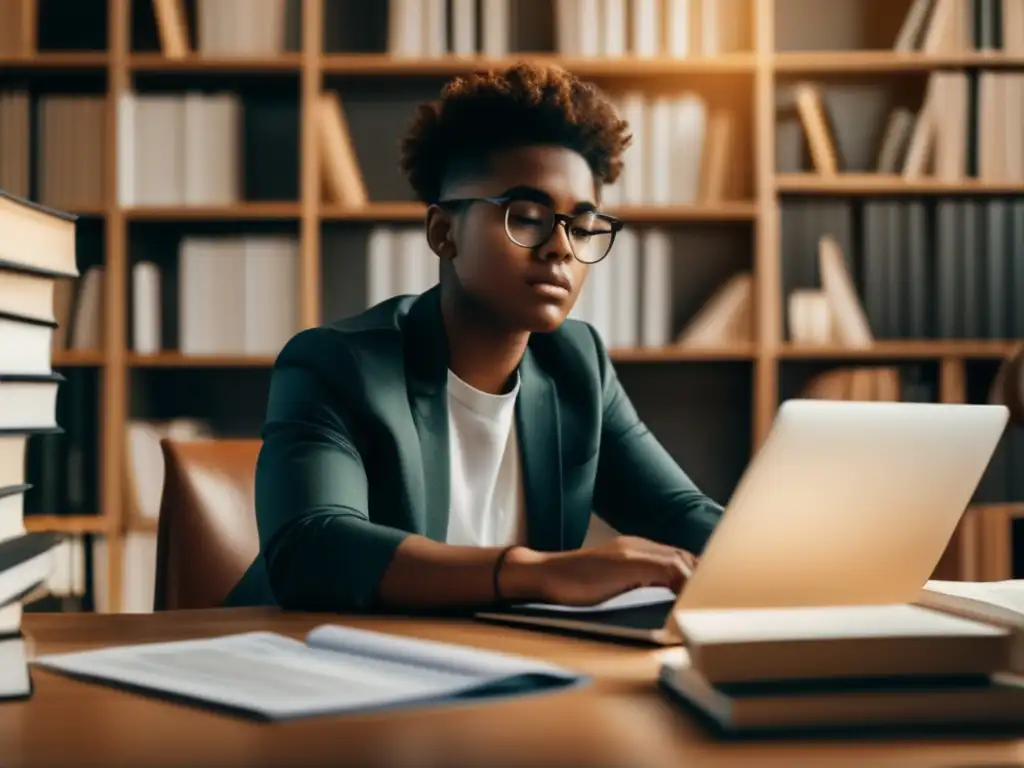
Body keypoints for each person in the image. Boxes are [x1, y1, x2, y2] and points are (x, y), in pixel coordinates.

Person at [224, 62, 724, 614]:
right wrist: (539, 573)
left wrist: (799, 565)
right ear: (444, 233)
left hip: (493, 670)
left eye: (581, 227)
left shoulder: (576, 365)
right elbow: (313, 548)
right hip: (314, 666)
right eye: (528, 216)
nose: (561, 249)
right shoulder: (336, 365)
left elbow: (681, 516)